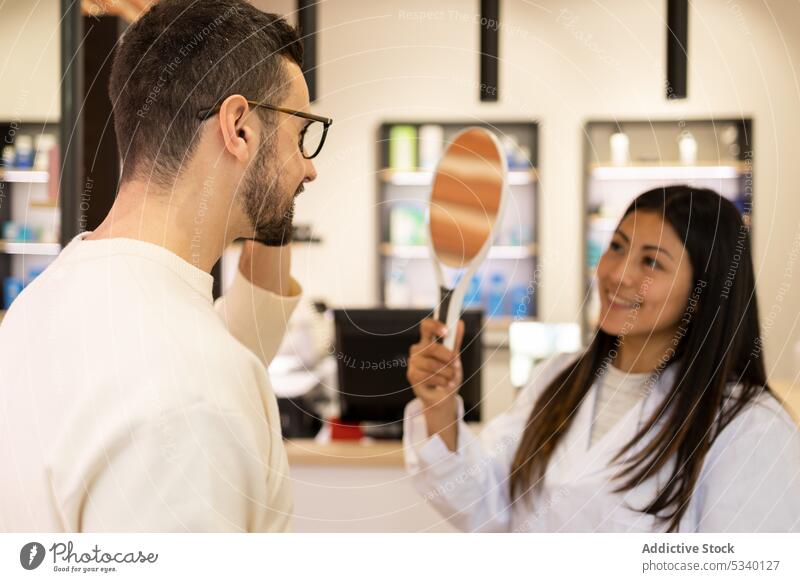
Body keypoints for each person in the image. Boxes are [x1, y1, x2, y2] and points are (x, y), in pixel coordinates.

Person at [0, 0, 331, 532]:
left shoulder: (39, 307)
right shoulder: (194, 391)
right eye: (301, 134)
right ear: (238, 128)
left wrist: (180, 44)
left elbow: (247, 324)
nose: (309, 168)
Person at [404, 185, 800, 532]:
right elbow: (487, 502)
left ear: (703, 295)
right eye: (617, 246)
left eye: (651, 262)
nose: (618, 274)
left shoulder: (750, 429)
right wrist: (438, 405)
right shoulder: (559, 377)